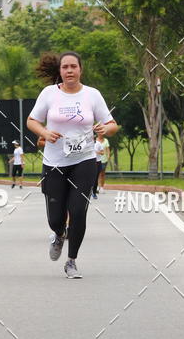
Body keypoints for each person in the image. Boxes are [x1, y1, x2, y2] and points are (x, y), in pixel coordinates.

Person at [27, 51, 118, 279]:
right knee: (55, 218)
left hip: (84, 161)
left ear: (80, 69)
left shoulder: (92, 95)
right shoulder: (49, 94)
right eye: (65, 67)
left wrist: (105, 129)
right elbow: (31, 121)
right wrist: (45, 133)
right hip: (54, 162)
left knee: (78, 212)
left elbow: (112, 124)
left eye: (73, 67)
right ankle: (58, 235)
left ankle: (71, 261)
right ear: (60, 71)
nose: (69, 71)